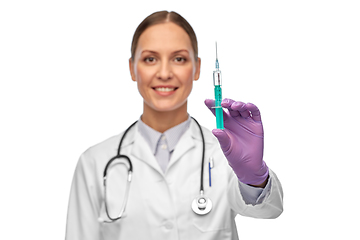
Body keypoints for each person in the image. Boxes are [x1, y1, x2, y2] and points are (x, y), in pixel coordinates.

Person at [65, 10, 283, 240]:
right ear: (132, 68)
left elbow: (270, 210)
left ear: (197, 68)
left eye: (179, 59)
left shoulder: (224, 153)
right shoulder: (95, 162)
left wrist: (254, 177)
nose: (165, 73)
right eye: (150, 59)